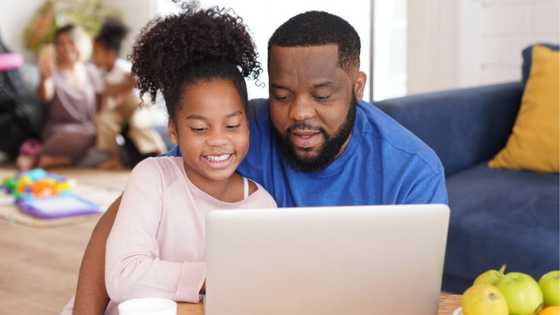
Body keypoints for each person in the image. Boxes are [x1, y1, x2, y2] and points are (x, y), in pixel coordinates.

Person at [70, 10, 448, 314]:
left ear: (358, 86)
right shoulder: (241, 129)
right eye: (282, 95)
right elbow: (123, 217)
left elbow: (413, 290)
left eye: (322, 95)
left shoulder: (412, 169)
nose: (300, 113)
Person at [60, 6, 276, 315]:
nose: (217, 139)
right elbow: (122, 278)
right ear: (173, 130)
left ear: (247, 126)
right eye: (199, 128)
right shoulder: (153, 177)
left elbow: (257, 293)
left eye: (232, 126)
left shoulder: (262, 206)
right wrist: (213, 277)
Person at [86, 18, 166, 169]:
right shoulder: (98, 74)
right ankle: (116, 158)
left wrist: (122, 89)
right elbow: (101, 98)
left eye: (96, 52)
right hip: (119, 110)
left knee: (138, 124)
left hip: (139, 106)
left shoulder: (123, 68)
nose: (93, 56)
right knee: (103, 121)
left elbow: (138, 85)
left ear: (110, 54)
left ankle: (160, 153)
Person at [17, 24, 97, 170]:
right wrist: (44, 78)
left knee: (100, 136)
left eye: (71, 42)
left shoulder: (91, 71)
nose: (66, 47)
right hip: (61, 133)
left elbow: (102, 104)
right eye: (60, 43)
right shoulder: (52, 73)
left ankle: (58, 160)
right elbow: (45, 95)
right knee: (90, 136)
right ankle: (41, 156)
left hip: (90, 129)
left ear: (81, 44)